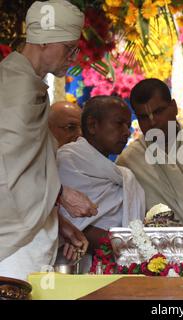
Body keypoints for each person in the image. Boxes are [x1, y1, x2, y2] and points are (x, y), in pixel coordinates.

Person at [0, 0, 97, 280]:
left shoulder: (26, 81)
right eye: (69, 48)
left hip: (30, 234)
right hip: (13, 246)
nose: (74, 57)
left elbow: (27, 170)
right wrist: (62, 195)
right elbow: (6, 170)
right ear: (43, 42)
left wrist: (56, 221)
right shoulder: (15, 88)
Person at [116, 78, 183, 225]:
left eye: (158, 112)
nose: (152, 122)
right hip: (158, 245)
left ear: (174, 107)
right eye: (143, 117)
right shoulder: (130, 160)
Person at [57, 96, 145, 252]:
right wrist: (121, 246)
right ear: (92, 125)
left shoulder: (124, 175)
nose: (126, 132)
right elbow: (62, 221)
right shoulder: (67, 161)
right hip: (74, 263)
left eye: (128, 125)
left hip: (117, 260)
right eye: (119, 124)